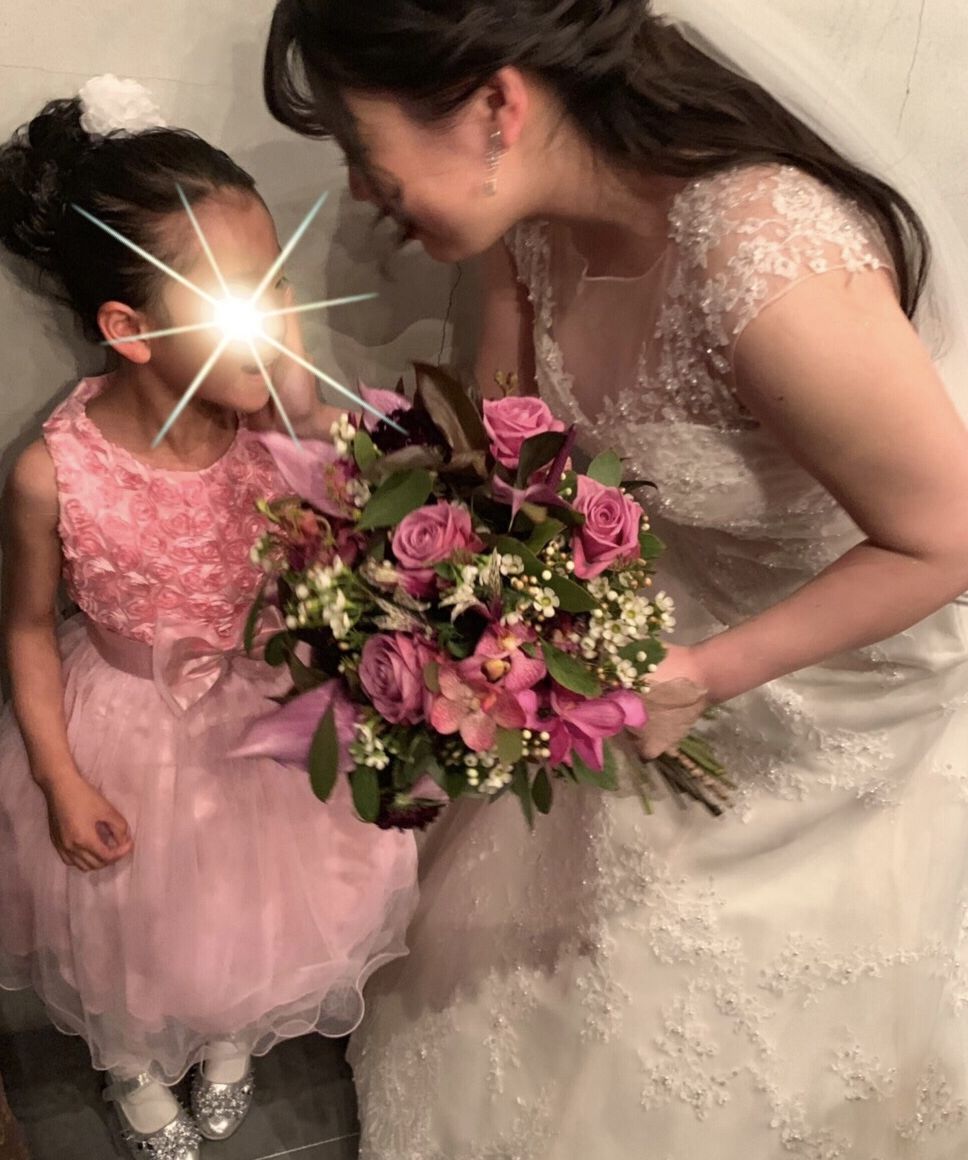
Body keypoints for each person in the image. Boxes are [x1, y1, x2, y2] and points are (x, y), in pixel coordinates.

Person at [262, 0, 968, 1156]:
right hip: (655, 617)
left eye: (358, 144)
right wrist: (406, 547)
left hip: (841, 652)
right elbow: (511, 454)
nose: (353, 187)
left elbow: (944, 540)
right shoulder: (527, 221)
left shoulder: (764, 259)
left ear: (496, 106)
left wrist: (704, 672)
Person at [0, 78, 417, 1160]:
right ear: (128, 329)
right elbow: (28, 627)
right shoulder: (53, 473)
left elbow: (368, 521)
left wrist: (311, 419)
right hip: (120, 731)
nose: (269, 322)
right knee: (129, 925)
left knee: (252, 909)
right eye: (235, 300)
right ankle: (132, 1058)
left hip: (263, 717)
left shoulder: (280, 432)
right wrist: (58, 775)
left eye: (277, 286)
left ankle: (232, 1029)